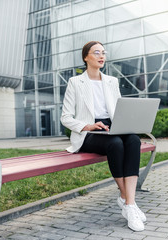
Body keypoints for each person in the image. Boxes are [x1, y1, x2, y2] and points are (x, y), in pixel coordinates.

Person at [60, 41, 146, 231]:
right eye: (96, 52)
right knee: (115, 143)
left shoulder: (111, 81)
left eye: (103, 53)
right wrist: (89, 125)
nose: (101, 56)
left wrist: (126, 123)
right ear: (86, 57)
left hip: (112, 127)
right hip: (89, 132)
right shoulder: (75, 82)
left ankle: (129, 203)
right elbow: (65, 118)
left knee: (133, 140)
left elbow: (117, 109)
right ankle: (127, 201)